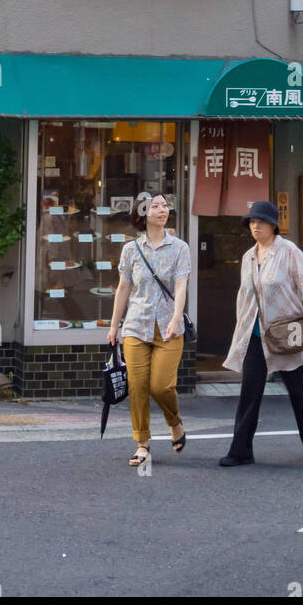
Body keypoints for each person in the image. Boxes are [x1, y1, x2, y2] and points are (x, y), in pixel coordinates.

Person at [220, 200, 303, 466]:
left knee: (298, 388)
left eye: (260, 221)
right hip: (257, 334)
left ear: (273, 225)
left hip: (287, 332)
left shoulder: (289, 252)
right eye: (251, 222)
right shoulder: (248, 257)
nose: (255, 225)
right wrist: (241, 331)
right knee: (250, 389)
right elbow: (244, 298)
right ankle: (241, 450)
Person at [108, 192, 191, 466]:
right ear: (143, 214)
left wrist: (176, 318)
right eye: (154, 206)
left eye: (164, 205)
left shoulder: (180, 248)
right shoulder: (131, 250)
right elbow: (123, 289)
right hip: (136, 326)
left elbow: (181, 285)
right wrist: (114, 326)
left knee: (161, 385)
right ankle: (142, 443)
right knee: (139, 385)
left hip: (168, 327)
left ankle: (175, 422)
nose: (161, 210)